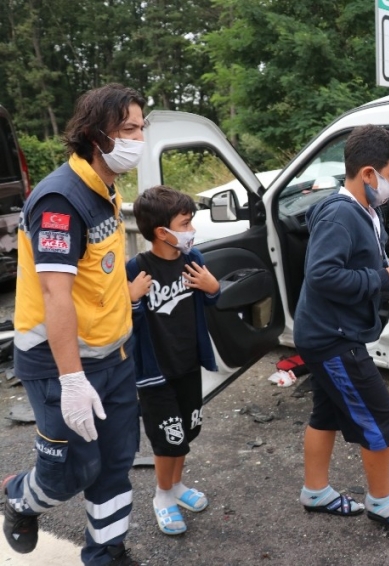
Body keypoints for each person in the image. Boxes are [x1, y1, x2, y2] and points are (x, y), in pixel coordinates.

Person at [1, 84, 146, 566]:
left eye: (141, 128)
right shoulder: (59, 201)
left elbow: (94, 280)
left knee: (116, 466)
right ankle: (20, 498)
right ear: (94, 135)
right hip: (60, 364)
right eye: (128, 129)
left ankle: (107, 554)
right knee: (72, 471)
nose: (138, 138)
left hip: (114, 358)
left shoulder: (104, 188)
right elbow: (54, 294)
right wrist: (71, 379)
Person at [293, 124, 389, 532]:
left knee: (328, 412)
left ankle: (315, 491)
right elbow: (322, 275)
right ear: (367, 174)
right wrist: (382, 280)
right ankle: (382, 502)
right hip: (332, 338)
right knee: (381, 418)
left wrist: (388, 268)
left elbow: (356, 261)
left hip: (329, 332)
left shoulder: (363, 210)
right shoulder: (340, 214)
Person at [125, 185, 220, 536]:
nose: (191, 229)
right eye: (185, 222)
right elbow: (122, 323)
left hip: (187, 365)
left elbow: (210, 300)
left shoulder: (194, 261)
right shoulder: (136, 269)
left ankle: (177, 486)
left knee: (187, 431)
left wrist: (213, 287)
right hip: (155, 374)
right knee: (167, 439)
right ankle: (162, 497)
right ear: (161, 232)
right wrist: (132, 299)